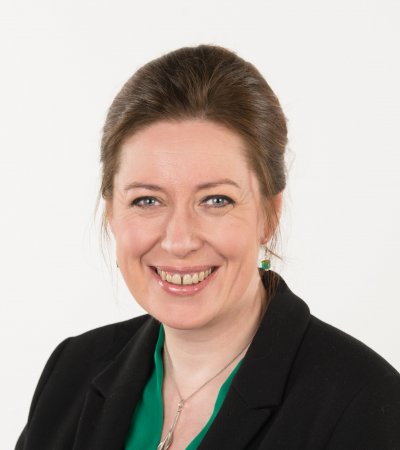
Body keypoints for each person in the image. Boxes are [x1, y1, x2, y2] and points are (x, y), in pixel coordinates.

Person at [16, 44, 400, 450]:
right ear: (113, 213)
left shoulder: (366, 403)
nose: (179, 241)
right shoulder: (72, 370)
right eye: (147, 200)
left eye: (216, 200)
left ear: (269, 214)